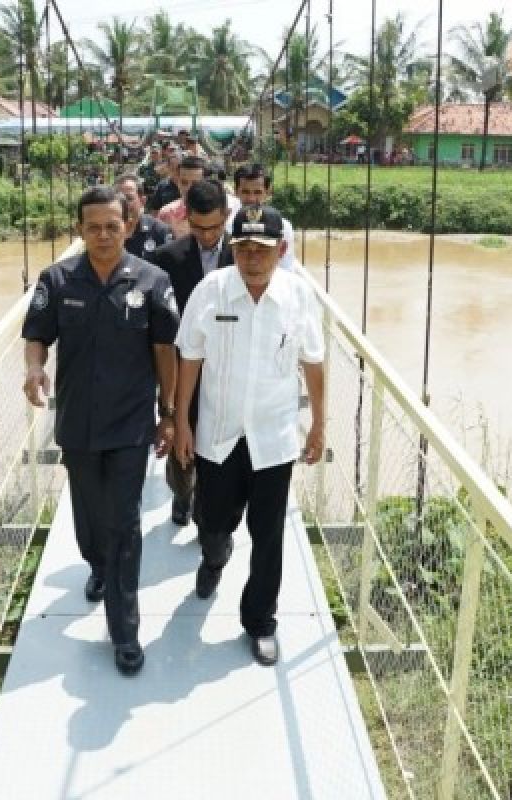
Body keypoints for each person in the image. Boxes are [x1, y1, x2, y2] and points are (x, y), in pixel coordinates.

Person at [21, 186, 180, 676]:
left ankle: (125, 631)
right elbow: (36, 336)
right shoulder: (58, 278)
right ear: (80, 230)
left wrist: (168, 412)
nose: (104, 235)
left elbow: (165, 352)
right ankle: (97, 565)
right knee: (90, 519)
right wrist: (33, 369)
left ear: (129, 226)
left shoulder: (153, 281)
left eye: (113, 225)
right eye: (94, 227)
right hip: (77, 422)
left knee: (125, 523)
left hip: (131, 424)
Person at [173, 204, 325, 667]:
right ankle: (213, 559)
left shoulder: (299, 297)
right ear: (232, 249)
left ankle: (260, 621)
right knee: (213, 522)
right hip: (218, 433)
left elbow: (313, 362)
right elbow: (189, 359)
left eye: (262, 248)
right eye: (243, 248)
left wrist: (319, 423)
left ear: (281, 250)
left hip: (273, 438)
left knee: (268, 535)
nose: (252, 257)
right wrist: (181, 421)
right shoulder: (211, 292)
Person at [148, 179, 234, 527]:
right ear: (186, 218)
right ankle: (182, 494)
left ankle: (209, 513)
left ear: (227, 216)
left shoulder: (246, 255)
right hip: (181, 367)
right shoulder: (166, 259)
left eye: (213, 227)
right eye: (197, 227)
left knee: (223, 443)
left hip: (230, 367)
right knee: (181, 437)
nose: (206, 235)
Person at [232, 163, 297, 271]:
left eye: (257, 192)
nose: (251, 199)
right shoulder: (227, 226)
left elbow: (286, 269)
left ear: (268, 192)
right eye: (245, 192)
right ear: (236, 191)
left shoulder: (284, 227)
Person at [114, 173, 172, 258]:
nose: (123, 204)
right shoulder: (107, 232)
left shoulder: (159, 231)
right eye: (119, 199)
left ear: (142, 201)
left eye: (129, 198)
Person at [156, 155, 208, 239]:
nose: (189, 188)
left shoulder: (216, 213)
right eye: (184, 182)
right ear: (178, 182)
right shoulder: (166, 214)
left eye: (195, 184)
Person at [145, 145, 182, 214]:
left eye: (178, 168)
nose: (176, 171)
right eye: (173, 168)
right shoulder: (162, 186)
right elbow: (155, 210)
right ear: (168, 167)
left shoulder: (190, 184)